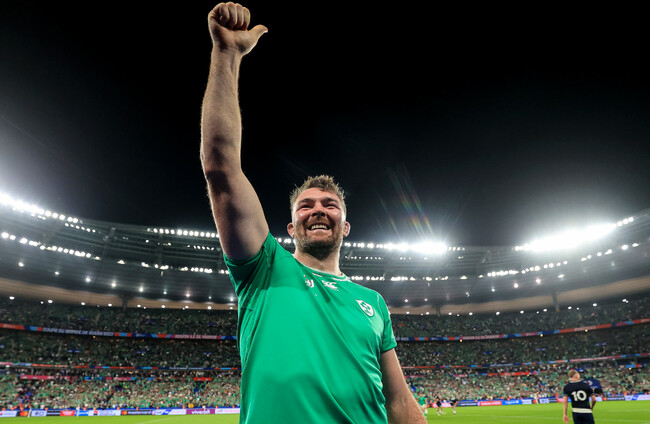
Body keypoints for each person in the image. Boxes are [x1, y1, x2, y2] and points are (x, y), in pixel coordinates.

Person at [200, 3, 426, 423]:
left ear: (346, 225)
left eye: (330, 205)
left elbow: (398, 402)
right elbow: (221, 169)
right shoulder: (264, 269)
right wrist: (226, 55)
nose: (318, 210)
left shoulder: (373, 303)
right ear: (291, 226)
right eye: (306, 205)